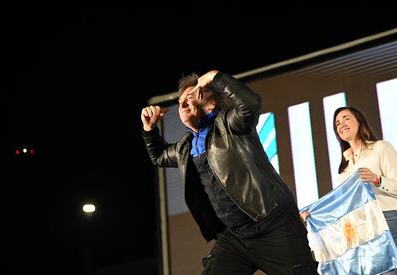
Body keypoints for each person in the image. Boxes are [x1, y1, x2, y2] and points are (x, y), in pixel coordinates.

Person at [141, 70, 318, 275]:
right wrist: (149, 129)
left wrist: (215, 77)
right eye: (180, 100)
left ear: (211, 104)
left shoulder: (229, 124)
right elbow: (160, 156)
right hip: (235, 237)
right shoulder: (185, 146)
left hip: (273, 226)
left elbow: (250, 104)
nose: (182, 103)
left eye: (191, 96)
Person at [301, 106, 397, 274]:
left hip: (388, 219)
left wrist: (377, 179)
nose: (341, 124)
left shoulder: (381, 148)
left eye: (346, 118)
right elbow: (341, 206)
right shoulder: (344, 171)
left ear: (359, 121)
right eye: (337, 123)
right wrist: (313, 214)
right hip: (364, 229)